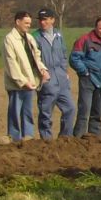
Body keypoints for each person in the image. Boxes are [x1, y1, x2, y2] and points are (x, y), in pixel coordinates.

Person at [3, 10, 49, 143]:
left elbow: (36, 56)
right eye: (26, 23)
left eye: (30, 23)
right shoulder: (9, 39)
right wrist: (23, 82)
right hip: (17, 84)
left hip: (31, 80)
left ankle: (28, 136)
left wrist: (43, 70)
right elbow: (11, 63)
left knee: (27, 111)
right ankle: (14, 136)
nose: (29, 25)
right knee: (15, 111)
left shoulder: (29, 38)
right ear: (18, 22)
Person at [70, 17, 101, 139]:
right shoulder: (85, 40)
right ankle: (78, 138)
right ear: (96, 27)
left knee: (97, 111)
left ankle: (95, 137)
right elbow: (74, 58)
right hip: (88, 80)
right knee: (84, 110)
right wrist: (84, 72)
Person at [35, 9, 77, 139]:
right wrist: (42, 74)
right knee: (46, 112)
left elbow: (64, 54)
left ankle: (65, 137)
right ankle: (46, 139)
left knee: (70, 108)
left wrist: (65, 72)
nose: (43, 22)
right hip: (47, 80)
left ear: (52, 20)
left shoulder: (59, 35)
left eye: (46, 19)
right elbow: (34, 59)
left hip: (61, 79)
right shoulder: (35, 37)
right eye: (41, 19)